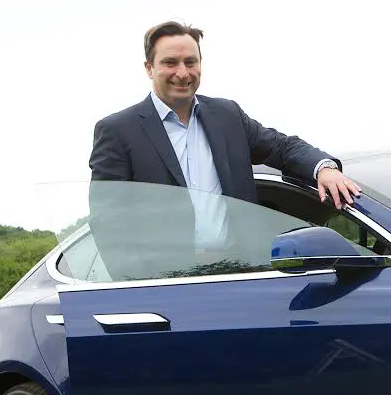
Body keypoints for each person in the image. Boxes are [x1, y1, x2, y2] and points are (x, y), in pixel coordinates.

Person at [87, 21, 362, 278]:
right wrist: (138, 285)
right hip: (169, 284)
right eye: (170, 62)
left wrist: (323, 169)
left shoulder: (227, 115)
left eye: (190, 62)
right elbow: (109, 222)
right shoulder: (118, 131)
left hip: (244, 274)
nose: (182, 73)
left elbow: (281, 146)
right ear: (149, 68)